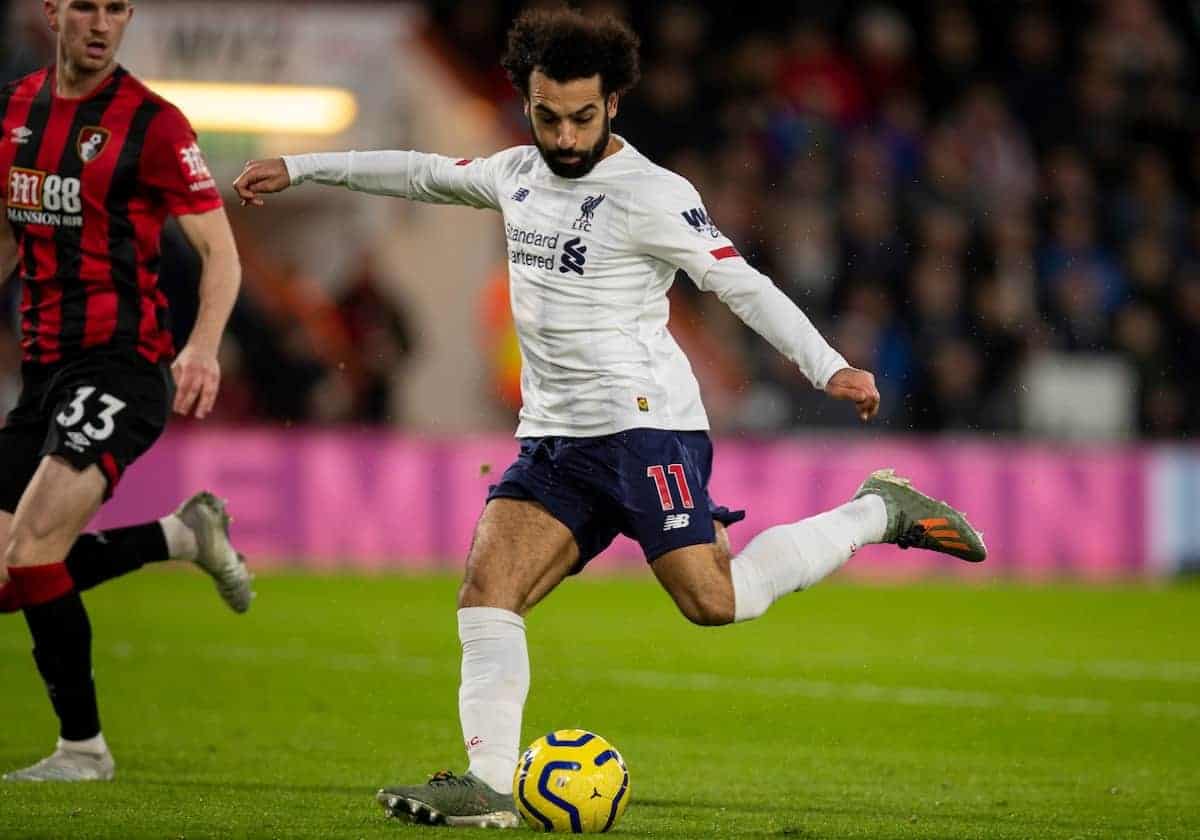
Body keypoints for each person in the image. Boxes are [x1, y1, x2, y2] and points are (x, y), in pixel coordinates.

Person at [234, 7, 986, 829]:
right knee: (487, 593)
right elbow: (419, 173)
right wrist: (300, 167)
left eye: (582, 117)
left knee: (712, 602)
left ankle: (879, 509)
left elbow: (739, 284)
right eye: (547, 115)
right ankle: (488, 789)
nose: (563, 136)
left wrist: (828, 364)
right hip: (553, 438)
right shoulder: (515, 172)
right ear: (528, 102)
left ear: (613, 105)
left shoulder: (654, 195)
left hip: (645, 429)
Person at [0, 0, 251, 781]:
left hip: (122, 367)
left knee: (34, 549)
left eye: (117, 8)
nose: (102, 23)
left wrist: (202, 348)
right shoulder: (16, 108)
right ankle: (178, 537)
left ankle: (84, 749)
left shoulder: (156, 124)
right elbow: (10, 230)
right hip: (43, 373)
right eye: (87, 6)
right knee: (10, 581)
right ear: (54, 12)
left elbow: (222, 253)